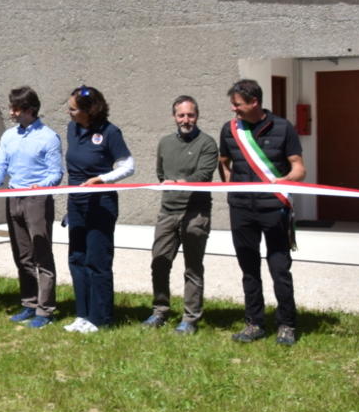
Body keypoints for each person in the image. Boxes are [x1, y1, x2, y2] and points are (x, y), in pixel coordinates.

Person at [219, 79, 305, 346]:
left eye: (238, 105)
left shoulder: (283, 127)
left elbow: (299, 168)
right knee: (249, 269)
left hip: (274, 209)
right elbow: (224, 163)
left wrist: (286, 181)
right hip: (242, 209)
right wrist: (234, 188)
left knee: (280, 268)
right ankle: (254, 322)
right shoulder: (230, 130)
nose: (234, 110)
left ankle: (287, 325)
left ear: (254, 102)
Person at [0, 86, 63, 329]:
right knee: (22, 255)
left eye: (16, 109)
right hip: (13, 197)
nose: (11, 113)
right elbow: (0, 163)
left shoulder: (49, 137)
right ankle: (29, 303)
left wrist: (42, 185)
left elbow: (56, 173)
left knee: (42, 254)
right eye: (11, 108)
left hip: (37, 200)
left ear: (30, 110)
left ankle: (45, 309)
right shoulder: (9, 136)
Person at [142, 95, 219, 334]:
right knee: (159, 262)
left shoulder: (207, 143)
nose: (186, 120)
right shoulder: (165, 142)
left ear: (197, 116)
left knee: (193, 267)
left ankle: (190, 318)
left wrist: (180, 182)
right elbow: (160, 172)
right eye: (181, 115)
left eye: (190, 115)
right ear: (174, 117)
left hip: (196, 213)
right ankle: (160, 311)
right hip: (168, 212)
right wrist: (172, 184)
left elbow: (204, 175)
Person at [64, 85, 134, 334]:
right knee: (77, 258)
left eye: (73, 109)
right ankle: (82, 315)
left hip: (100, 204)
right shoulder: (72, 129)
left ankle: (100, 317)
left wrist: (103, 179)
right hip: (76, 204)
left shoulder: (110, 132)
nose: (69, 113)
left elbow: (128, 165)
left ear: (89, 111)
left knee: (97, 261)